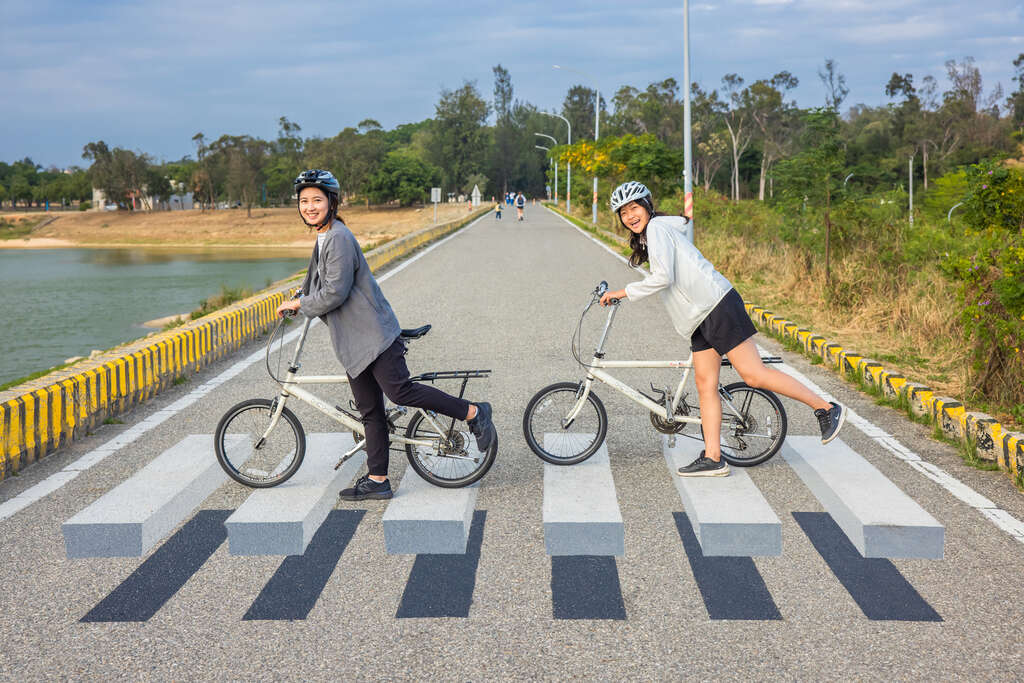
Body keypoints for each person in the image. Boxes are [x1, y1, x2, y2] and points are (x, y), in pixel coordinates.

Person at [598, 181, 846, 478]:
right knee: (705, 385)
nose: (630, 216)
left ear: (647, 206)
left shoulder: (657, 229)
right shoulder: (654, 234)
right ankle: (713, 457)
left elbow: (663, 277)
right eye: (624, 213)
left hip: (716, 305)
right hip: (699, 316)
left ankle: (825, 408)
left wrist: (621, 292)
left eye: (634, 208)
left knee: (753, 374)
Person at [276, 169, 497, 499]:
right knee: (370, 412)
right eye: (304, 201)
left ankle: (474, 412)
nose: (310, 207)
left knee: (401, 393)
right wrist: (298, 297)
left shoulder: (338, 237)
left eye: (316, 200)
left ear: (331, 203)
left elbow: (335, 291)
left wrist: (302, 303)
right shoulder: (325, 236)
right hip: (355, 341)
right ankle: (378, 480)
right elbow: (315, 281)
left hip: (373, 335)